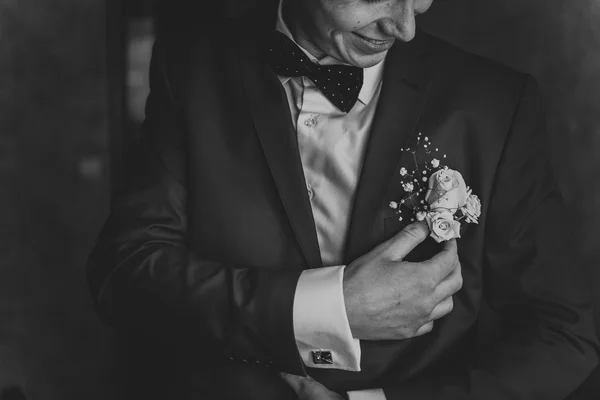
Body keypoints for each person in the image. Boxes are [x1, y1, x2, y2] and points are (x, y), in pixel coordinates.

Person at [87, 0, 599, 399]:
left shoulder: (492, 104)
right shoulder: (192, 71)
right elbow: (126, 276)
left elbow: (564, 334)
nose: (405, 28)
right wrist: (331, 308)